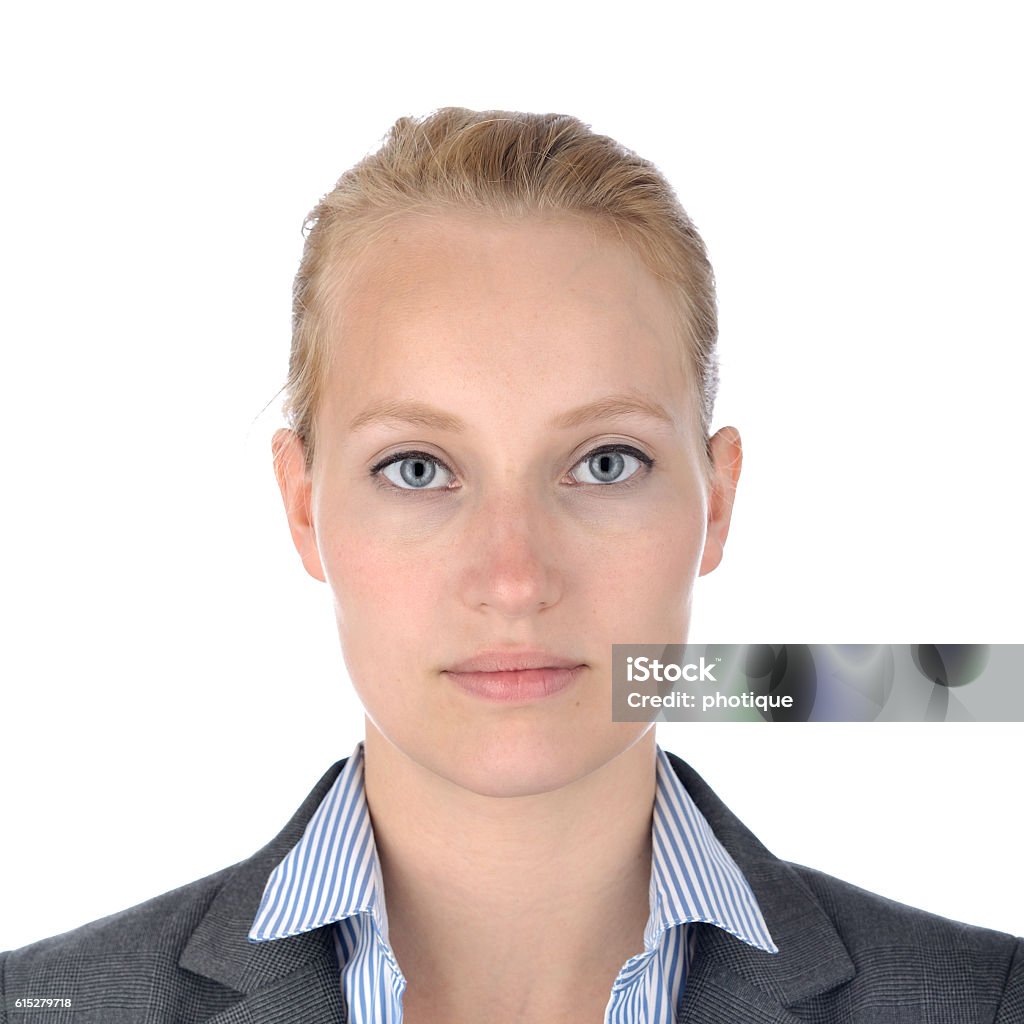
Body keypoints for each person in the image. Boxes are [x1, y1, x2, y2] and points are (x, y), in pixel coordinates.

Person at [2, 107, 1020, 1024]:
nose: (515, 577)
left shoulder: (981, 1003)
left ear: (717, 501)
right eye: (417, 468)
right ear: (304, 508)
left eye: (603, 463)